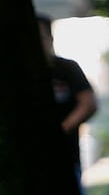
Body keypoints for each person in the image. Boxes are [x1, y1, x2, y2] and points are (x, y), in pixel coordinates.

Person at [38, 13, 97, 175]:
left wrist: (62, 129)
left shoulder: (67, 69)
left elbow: (88, 103)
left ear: (50, 39)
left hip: (65, 156)